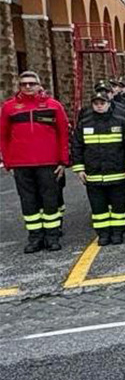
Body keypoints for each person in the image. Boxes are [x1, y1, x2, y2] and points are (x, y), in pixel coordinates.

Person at [2, 72, 70, 253]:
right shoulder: (9, 108)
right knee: (28, 201)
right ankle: (35, 237)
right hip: (21, 164)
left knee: (50, 200)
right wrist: (8, 162)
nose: (28, 87)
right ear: (19, 86)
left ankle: (52, 236)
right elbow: (3, 137)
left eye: (32, 83)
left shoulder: (53, 106)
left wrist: (63, 161)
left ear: (40, 85)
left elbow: (63, 134)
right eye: (24, 84)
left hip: (48, 162)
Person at [71, 87, 125, 245]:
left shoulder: (121, 122)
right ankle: (103, 234)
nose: (99, 106)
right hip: (94, 174)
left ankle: (118, 233)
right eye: (96, 103)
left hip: (118, 173)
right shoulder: (84, 124)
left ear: (109, 103)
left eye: (102, 102)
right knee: (99, 209)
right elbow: (77, 147)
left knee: (118, 207)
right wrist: (79, 169)